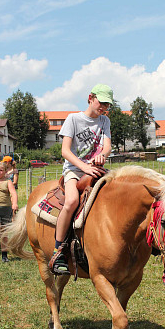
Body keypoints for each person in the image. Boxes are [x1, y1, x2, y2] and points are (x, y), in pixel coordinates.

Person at [49, 83, 113, 275]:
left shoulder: (105, 121)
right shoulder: (73, 119)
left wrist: (102, 155)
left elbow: (107, 146)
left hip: (96, 169)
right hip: (74, 171)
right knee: (71, 201)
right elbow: (65, 151)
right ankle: (58, 251)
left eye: (107, 105)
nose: (103, 108)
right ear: (90, 98)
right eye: (101, 102)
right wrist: (84, 166)